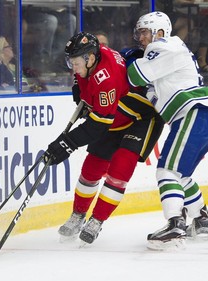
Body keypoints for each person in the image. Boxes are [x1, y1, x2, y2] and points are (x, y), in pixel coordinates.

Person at [44, 32, 164, 244]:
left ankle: (97, 220)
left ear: (90, 58)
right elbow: (83, 81)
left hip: (140, 119)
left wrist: (67, 143)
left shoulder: (106, 78)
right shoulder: (91, 58)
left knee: (119, 170)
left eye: (77, 62)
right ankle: (78, 214)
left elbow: (98, 124)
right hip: (113, 115)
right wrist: (80, 92)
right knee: (91, 168)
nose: (74, 67)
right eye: (71, 62)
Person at [127, 11, 208, 250]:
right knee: (181, 175)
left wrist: (127, 61)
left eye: (144, 32)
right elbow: (149, 87)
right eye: (139, 32)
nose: (140, 38)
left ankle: (175, 224)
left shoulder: (164, 46)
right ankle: (201, 220)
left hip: (193, 113)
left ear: (159, 32)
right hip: (205, 117)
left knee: (166, 171)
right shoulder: (171, 51)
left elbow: (135, 75)